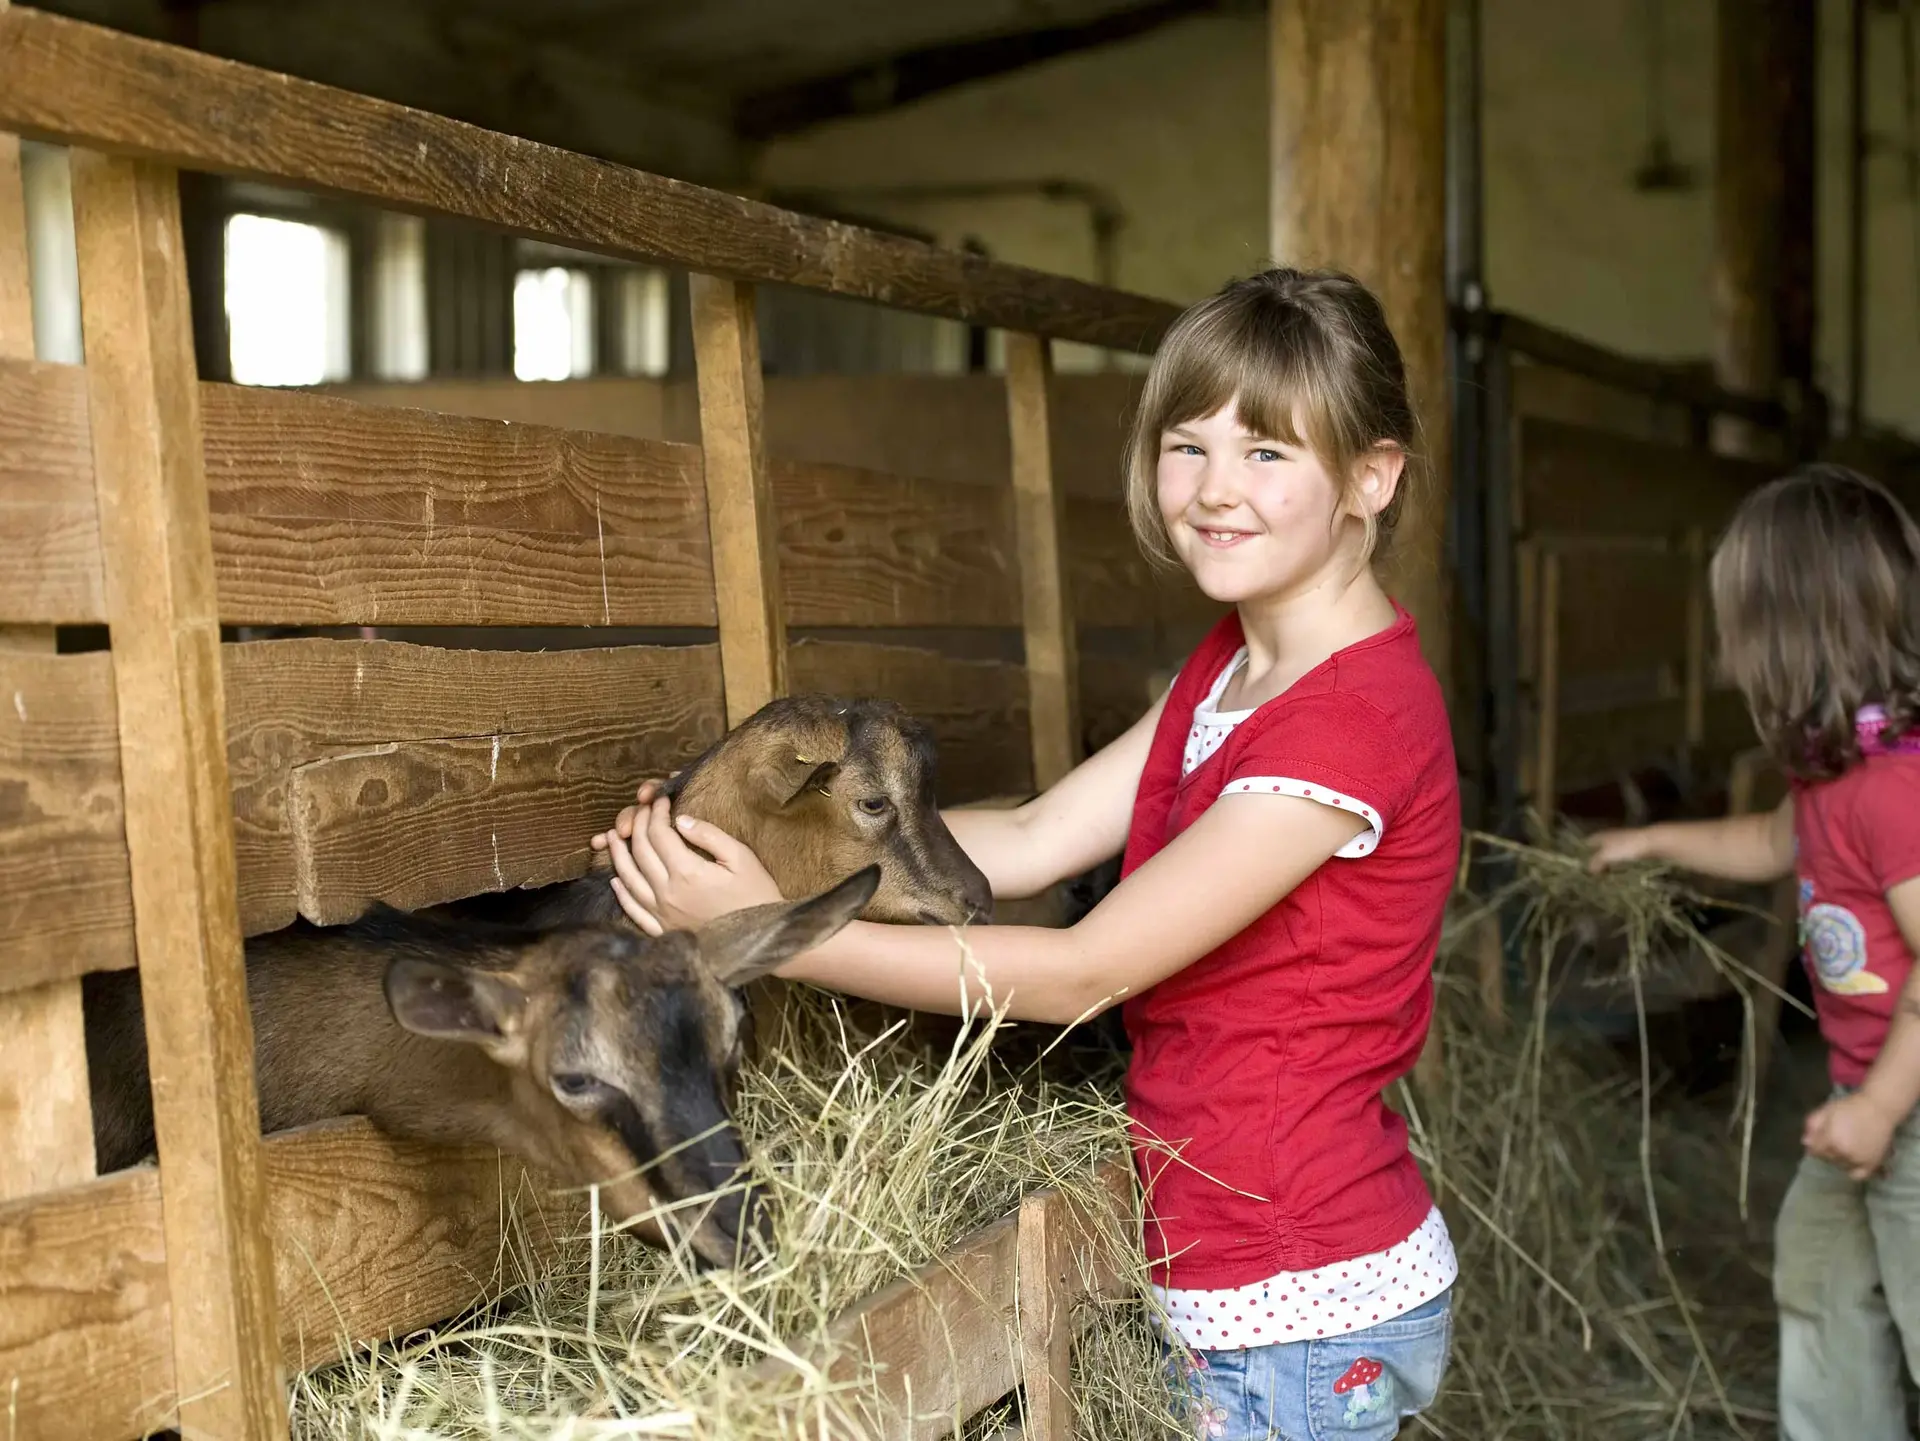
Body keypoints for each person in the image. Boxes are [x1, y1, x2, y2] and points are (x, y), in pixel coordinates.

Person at [593, 267, 1461, 1440]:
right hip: (1238, 1250)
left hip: (1293, 1283)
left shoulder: (1350, 721)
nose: (1213, 491)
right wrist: (733, 855)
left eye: (1267, 455)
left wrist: (781, 939)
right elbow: (1036, 834)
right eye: (1187, 445)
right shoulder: (1236, 667)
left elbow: (1085, 970)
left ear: (1371, 475)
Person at [1588, 464, 1920, 1441]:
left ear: (1794, 641)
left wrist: (1879, 1108)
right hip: (1870, 1107)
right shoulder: (1833, 774)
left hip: (1906, 1111)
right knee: (1817, 1271)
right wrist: (1653, 843)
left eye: (1739, 631)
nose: (1728, 656)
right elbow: (1773, 845)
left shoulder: (1893, 793)